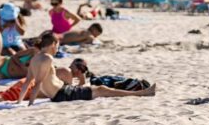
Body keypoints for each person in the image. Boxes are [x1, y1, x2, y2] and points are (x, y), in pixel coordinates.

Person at [17, 33, 156, 105]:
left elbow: (27, 82)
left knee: (98, 88)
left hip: (62, 92)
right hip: (63, 94)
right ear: (53, 44)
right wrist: (30, 105)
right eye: (57, 45)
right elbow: (38, 83)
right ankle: (142, 93)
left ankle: (141, 92)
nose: (57, 48)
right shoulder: (47, 58)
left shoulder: (35, 58)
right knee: (102, 89)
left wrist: (19, 102)